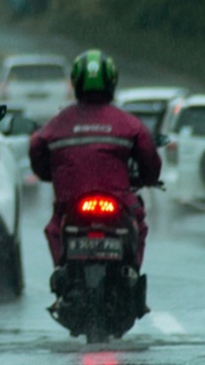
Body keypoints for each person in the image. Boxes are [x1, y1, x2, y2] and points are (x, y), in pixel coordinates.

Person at [28, 49, 161, 272]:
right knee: (139, 221)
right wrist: (148, 178)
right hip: (120, 202)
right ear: (111, 82)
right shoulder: (128, 124)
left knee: (54, 228)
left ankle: (62, 273)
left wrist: (51, 173)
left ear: (76, 83)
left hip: (69, 203)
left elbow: (36, 149)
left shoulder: (57, 123)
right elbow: (150, 160)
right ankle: (132, 272)